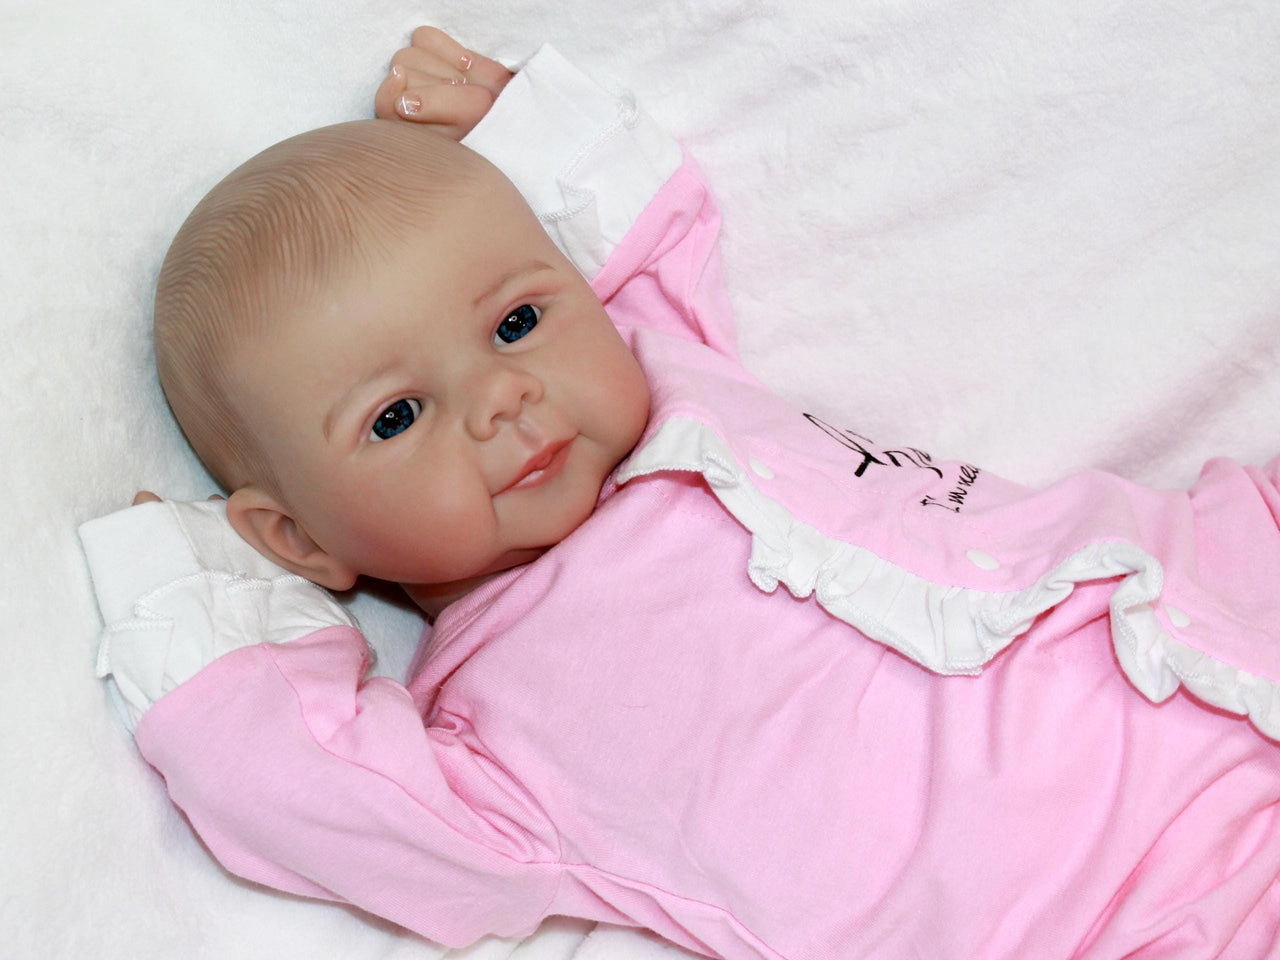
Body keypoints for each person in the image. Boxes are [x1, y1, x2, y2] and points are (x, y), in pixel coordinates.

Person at [79, 26, 1280, 960]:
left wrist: (520, 128)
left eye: (513, 321)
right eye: (397, 416)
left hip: (1213, 601)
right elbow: (318, 796)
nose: (501, 399)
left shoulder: (664, 372)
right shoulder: (492, 737)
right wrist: (200, 625)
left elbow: (642, 236)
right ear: (297, 539)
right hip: (1123, 915)